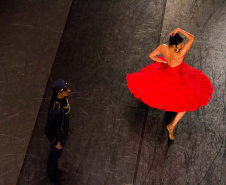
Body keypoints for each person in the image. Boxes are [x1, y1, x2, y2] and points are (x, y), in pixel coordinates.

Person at [126, 28, 213, 140]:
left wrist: (162, 61)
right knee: (187, 102)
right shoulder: (180, 54)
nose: (182, 46)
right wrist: (179, 29)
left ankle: (171, 125)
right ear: (176, 46)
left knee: (158, 89)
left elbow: (152, 56)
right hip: (177, 78)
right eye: (180, 45)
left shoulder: (163, 47)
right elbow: (192, 38)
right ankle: (171, 125)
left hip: (166, 72)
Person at [45, 79, 71, 182]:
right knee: (54, 155)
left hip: (62, 133)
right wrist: (55, 142)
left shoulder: (62, 98)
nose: (68, 90)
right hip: (57, 139)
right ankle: (52, 173)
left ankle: (55, 167)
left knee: (58, 155)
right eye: (65, 90)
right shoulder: (54, 111)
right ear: (59, 93)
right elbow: (48, 130)